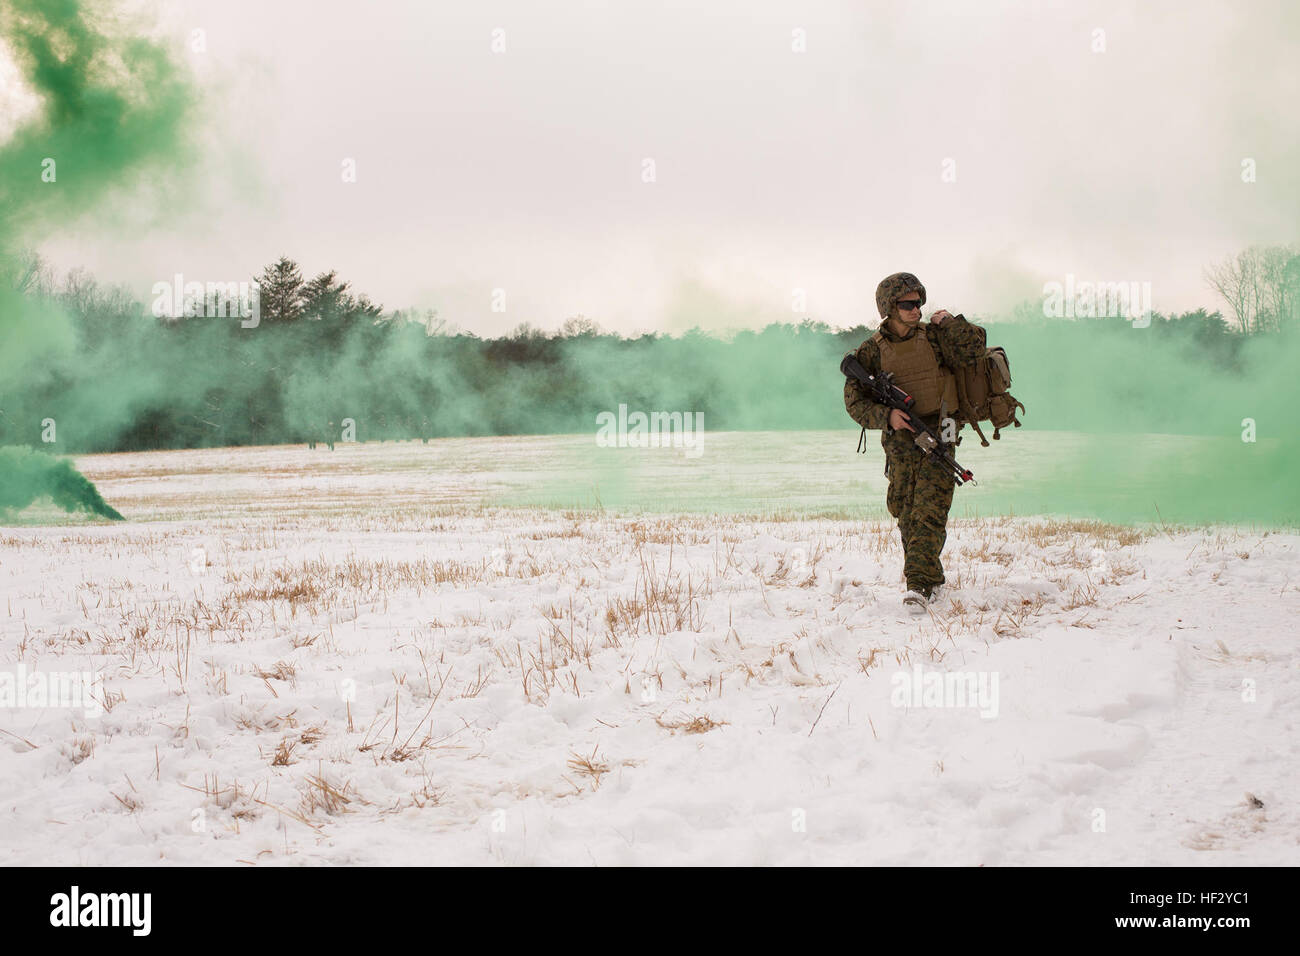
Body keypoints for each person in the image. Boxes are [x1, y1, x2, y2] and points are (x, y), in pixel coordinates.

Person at [843, 272, 987, 612]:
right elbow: (855, 402)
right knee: (906, 511)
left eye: (919, 302)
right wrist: (887, 417)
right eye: (908, 304)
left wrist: (950, 322)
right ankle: (931, 578)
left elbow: (974, 348)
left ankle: (918, 585)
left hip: (942, 431)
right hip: (901, 439)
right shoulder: (871, 351)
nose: (916, 309)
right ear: (889, 308)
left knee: (929, 509)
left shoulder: (937, 337)